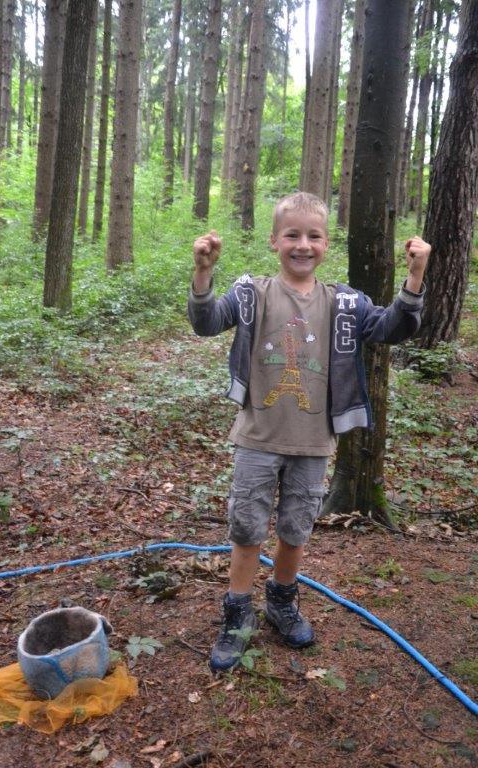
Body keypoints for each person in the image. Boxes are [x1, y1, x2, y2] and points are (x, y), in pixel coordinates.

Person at [188, 191, 431, 672]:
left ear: (326, 244)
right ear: (274, 240)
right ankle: (238, 614)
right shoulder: (252, 293)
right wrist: (203, 272)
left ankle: (281, 602)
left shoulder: (345, 303)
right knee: (247, 528)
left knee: (295, 529)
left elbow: (392, 328)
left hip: (314, 442)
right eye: (292, 235)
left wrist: (416, 275)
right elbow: (206, 322)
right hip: (257, 437)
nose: (303, 244)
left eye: (313, 236)